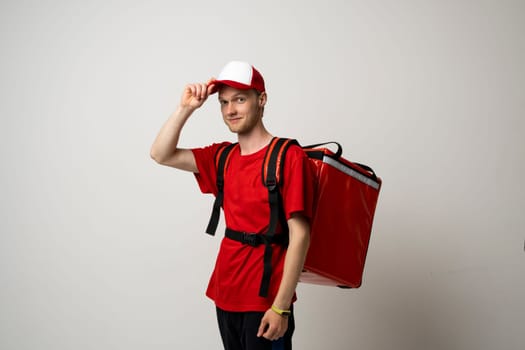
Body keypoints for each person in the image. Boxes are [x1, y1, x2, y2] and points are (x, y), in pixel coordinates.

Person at [150, 61, 313, 350]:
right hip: (225, 292)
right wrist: (187, 108)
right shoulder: (222, 157)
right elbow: (160, 153)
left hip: (266, 301)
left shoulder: (288, 156)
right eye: (223, 102)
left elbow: (300, 235)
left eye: (239, 99)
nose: (230, 110)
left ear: (261, 100)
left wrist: (281, 308)